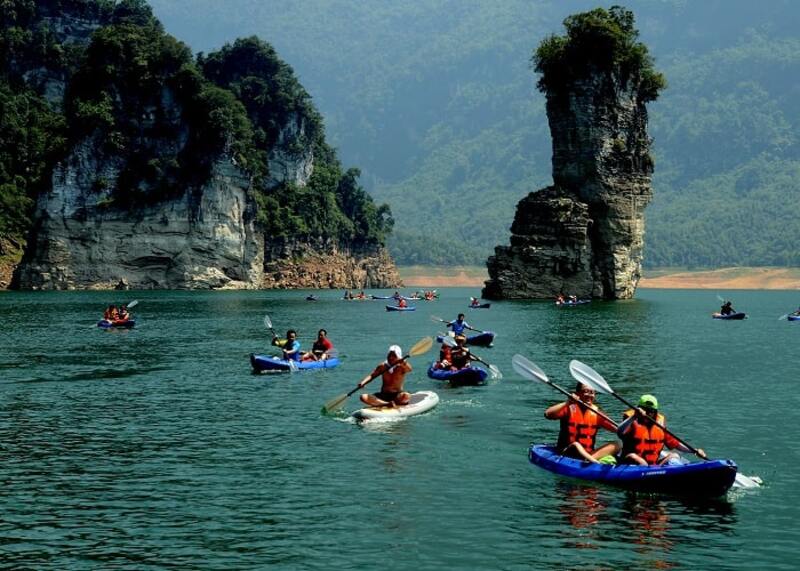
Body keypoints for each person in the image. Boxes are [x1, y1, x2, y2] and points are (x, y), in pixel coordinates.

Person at [616, 394, 706, 466]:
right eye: (644, 410)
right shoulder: (632, 421)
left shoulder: (659, 425)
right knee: (635, 457)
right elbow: (620, 432)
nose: (647, 414)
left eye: (651, 411)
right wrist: (635, 416)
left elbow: (677, 444)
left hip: (653, 466)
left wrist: (694, 451)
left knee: (674, 455)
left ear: (655, 412)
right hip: (630, 462)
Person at [544, 382, 620, 463]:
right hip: (567, 452)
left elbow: (619, 430)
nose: (589, 395)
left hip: (588, 455)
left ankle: (589, 460)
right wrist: (568, 402)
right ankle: (596, 463)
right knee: (576, 444)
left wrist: (632, 420)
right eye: (586, 391)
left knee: (617, 444)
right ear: (577, 394)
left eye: (592, 393)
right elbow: (548, 414)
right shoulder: (568, 408)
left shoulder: (597, 413)